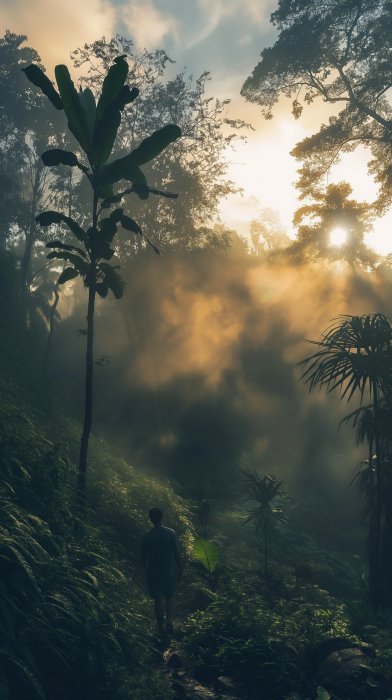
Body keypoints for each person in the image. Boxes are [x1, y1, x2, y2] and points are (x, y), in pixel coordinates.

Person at [141, 507, 182, 635]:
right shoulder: (171, 533)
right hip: (169, 572)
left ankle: (160, 629)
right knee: (170, 596)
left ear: (151, 519)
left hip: (153, 573)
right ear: (162, 517)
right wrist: (180, 569)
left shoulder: (147, 536)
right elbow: (176, 553)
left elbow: (143, 560)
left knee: (158, 600)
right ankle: (169, 622)